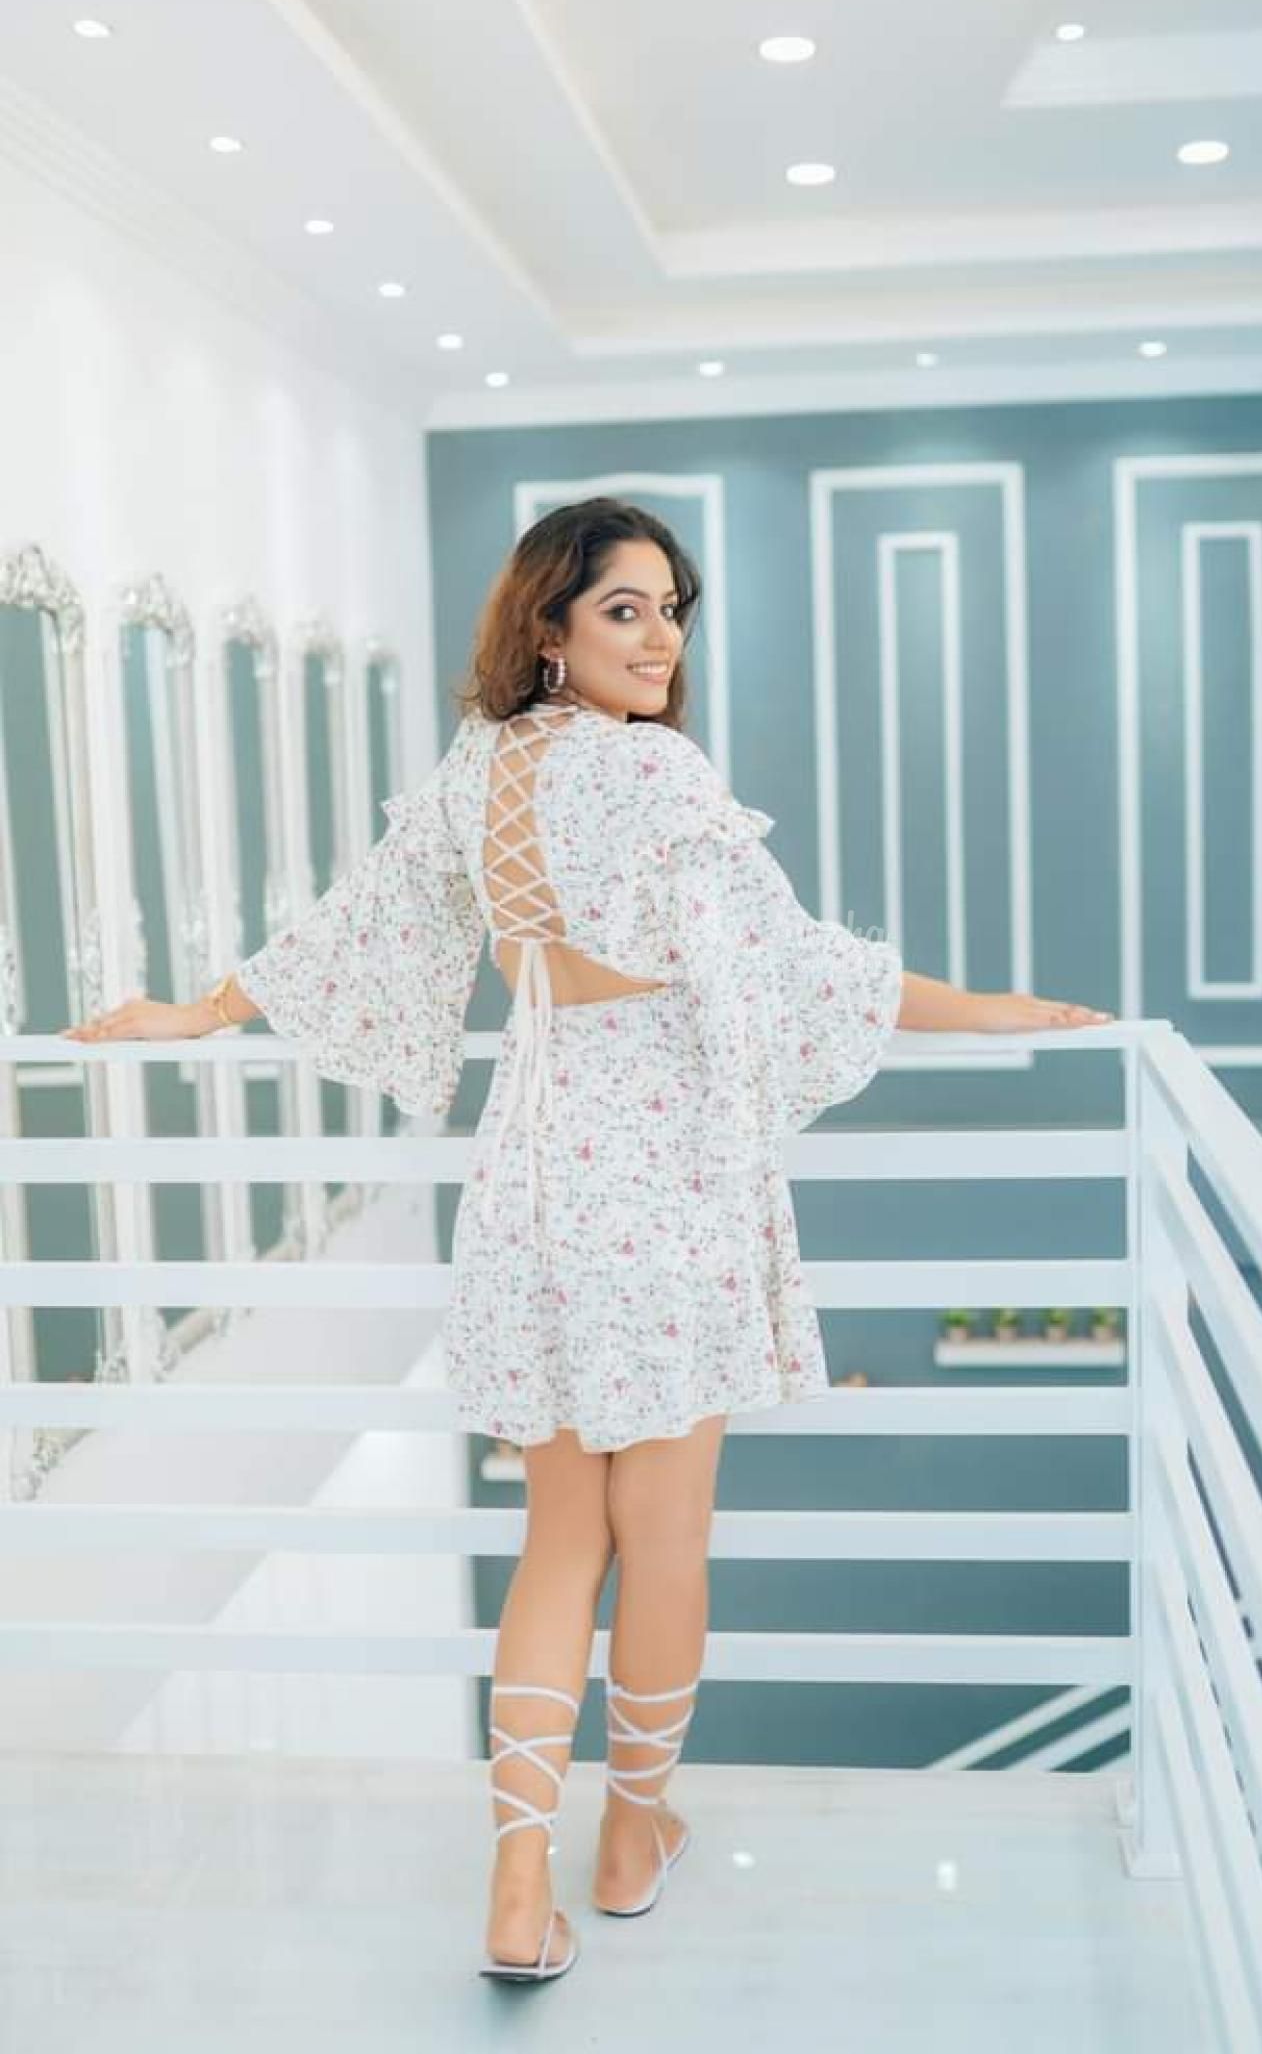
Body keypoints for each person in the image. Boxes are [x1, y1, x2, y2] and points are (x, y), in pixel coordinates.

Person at [64, 495, 1112, 1984]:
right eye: (626, 607)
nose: (660, 635)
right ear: (548, 625)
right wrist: (989, 1009)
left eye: (671, 608)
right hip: (664, 1179)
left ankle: (515, 1885)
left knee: (559, 1540)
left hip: (531, 1183)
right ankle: (630, 1832)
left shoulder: (480, 769)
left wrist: (201, 1010)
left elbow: (364, 923)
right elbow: (795, 966)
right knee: (664, 1538)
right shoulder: (656, 773)